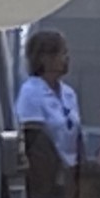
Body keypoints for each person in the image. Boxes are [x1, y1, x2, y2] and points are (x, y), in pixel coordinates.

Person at [14, 26, 83, 171]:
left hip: (72, 173)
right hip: (46, 174)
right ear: (45, 58)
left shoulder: (69, 94)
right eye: (62, 53)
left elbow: (77, 137)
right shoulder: (31, 92)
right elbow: (34, 141)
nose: (67, 58)